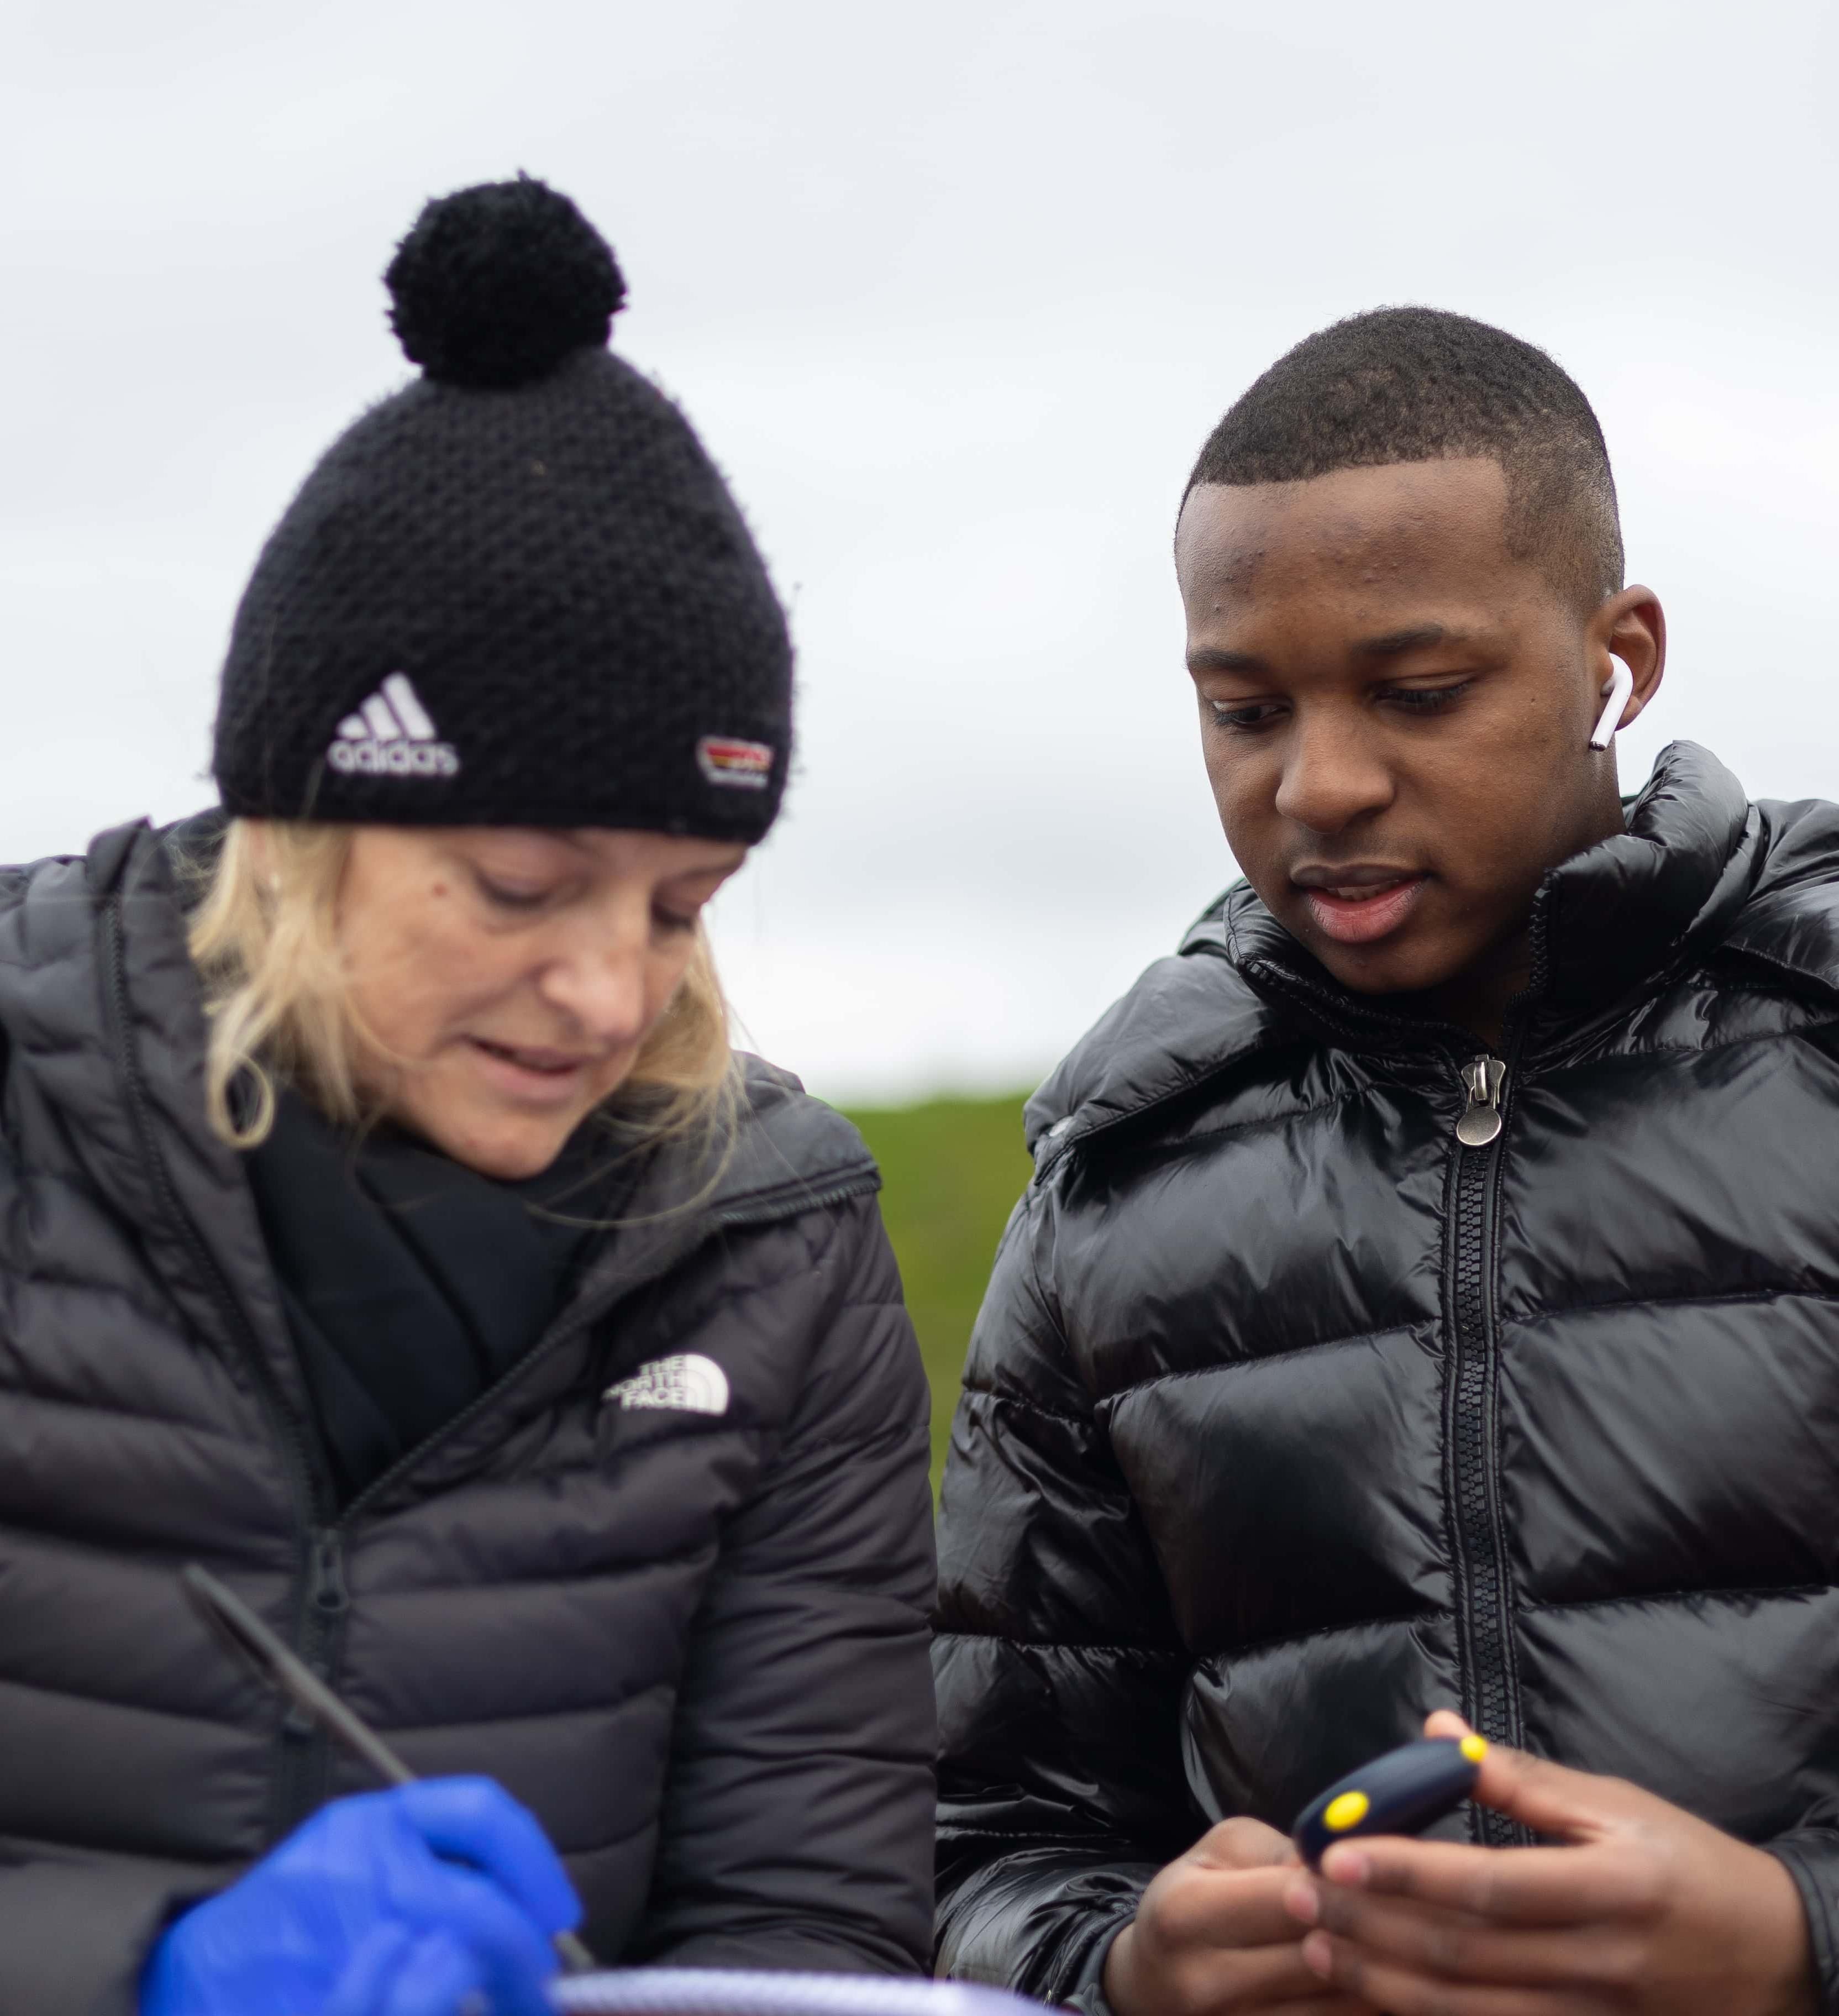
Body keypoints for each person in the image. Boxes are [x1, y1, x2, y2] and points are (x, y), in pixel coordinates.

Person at [0, 177, 936, 2016]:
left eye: (685, 906)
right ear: (306, 819)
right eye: (521, 887)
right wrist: (130, 1977)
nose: (608, 991)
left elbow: (807, 1917)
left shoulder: (776, 1249)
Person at [932, 308, 1839, 2015]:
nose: (1320, 784)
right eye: (1244, 708)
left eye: (1418, 695)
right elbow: (979, 1849)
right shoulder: (1117, 1181)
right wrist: (1128, 1967)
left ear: (1616, 659)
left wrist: (1794, 1942)